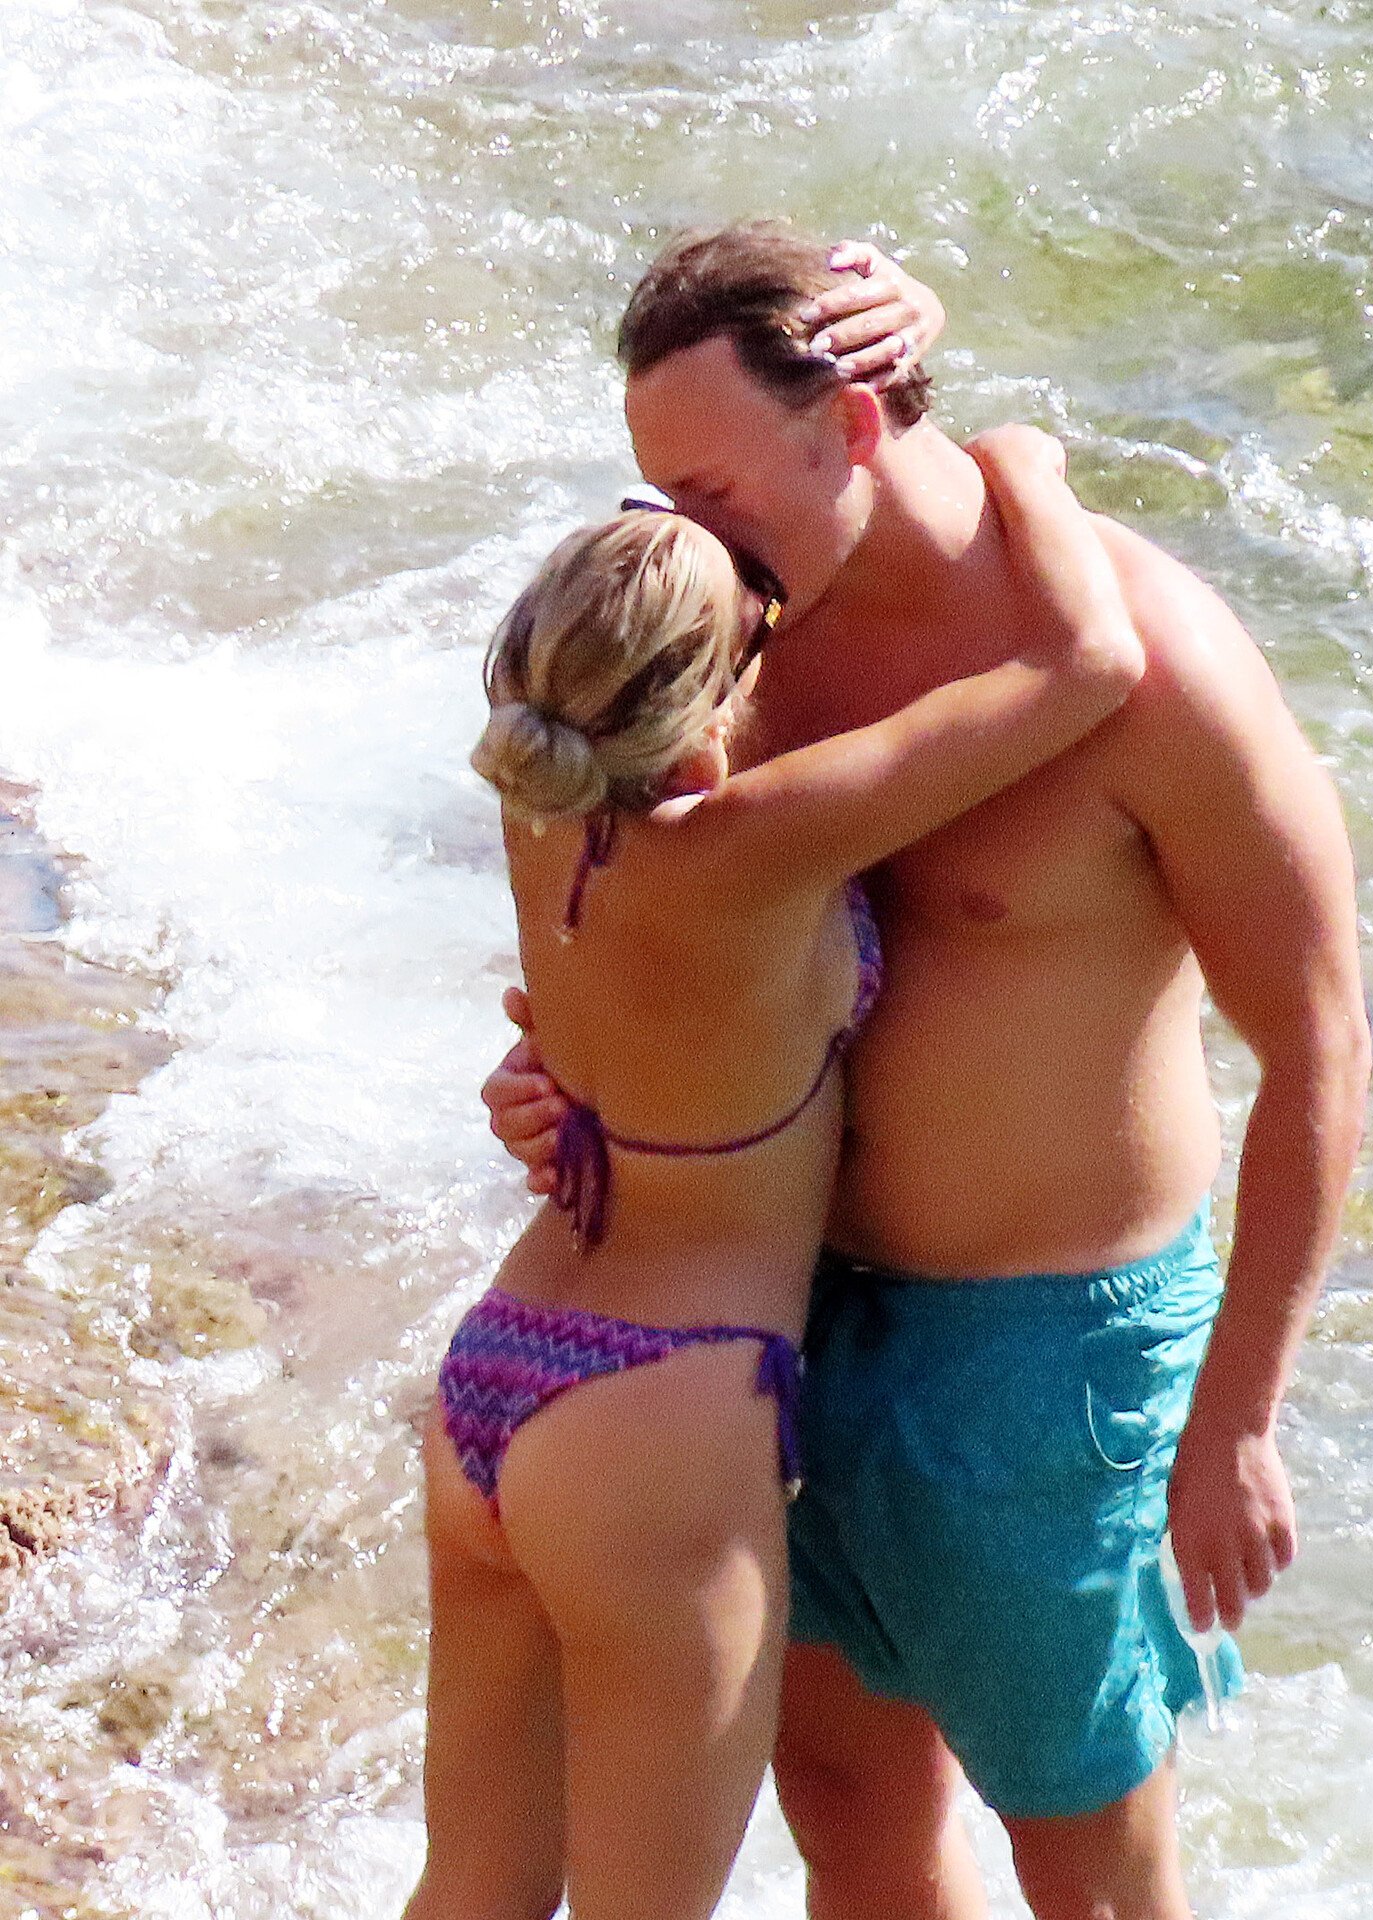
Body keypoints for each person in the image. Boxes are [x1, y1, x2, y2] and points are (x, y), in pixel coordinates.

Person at [485, 221, 1373, 1920]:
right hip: (773, 1308)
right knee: (851, 1819)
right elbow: (641, 930)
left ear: (853, 424)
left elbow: (1317, 1042)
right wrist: (561, 1085)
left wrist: (1236, 1419)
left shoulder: (1153, 664)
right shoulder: (731, 651)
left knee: (1084, 1871)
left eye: (712, 488)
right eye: (659, 488)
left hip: (1042, 1360)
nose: (682, 531)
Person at [404, 440, 1145, 1920]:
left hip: (497, 1372)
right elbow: (1088, 666)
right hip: (663, 1413)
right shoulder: (754, 842)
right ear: (701, 729)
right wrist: (1024, 467)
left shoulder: (539, 811)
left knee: (472, 1888)